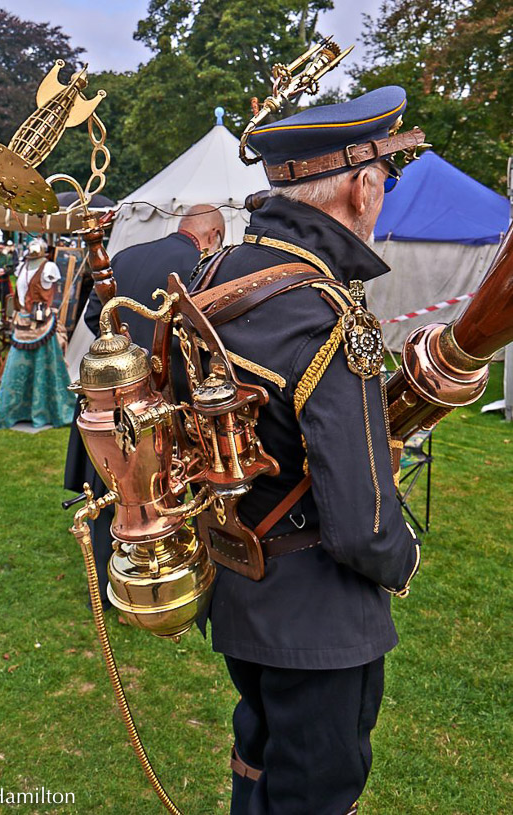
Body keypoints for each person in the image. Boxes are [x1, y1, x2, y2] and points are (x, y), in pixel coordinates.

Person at [187, 87, 423, 814]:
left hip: (237, 587)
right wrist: (403, 556)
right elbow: (363, 525)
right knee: (316, 790)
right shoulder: (326, 314)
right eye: (386, 174)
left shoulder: (215, 272)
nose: (381, 190)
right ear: (360, 183)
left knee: (257, 763)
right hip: (318, 620)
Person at [64, 204, 226, 607]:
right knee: (153, 500)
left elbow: (93, 318)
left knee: (111, 494)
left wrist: (118, 356)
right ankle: (155, 590)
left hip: (104, 404)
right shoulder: (205, 267)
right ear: (214, 237)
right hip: (157, 409)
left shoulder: (124, 255)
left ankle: (109, 589)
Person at [0, 238, 75, 430]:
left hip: (41, 324)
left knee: (45, 369)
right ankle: (14, 412)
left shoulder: (49, 268)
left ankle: (46, 411)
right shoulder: (22, 267)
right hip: (22, 323)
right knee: (16, 370)